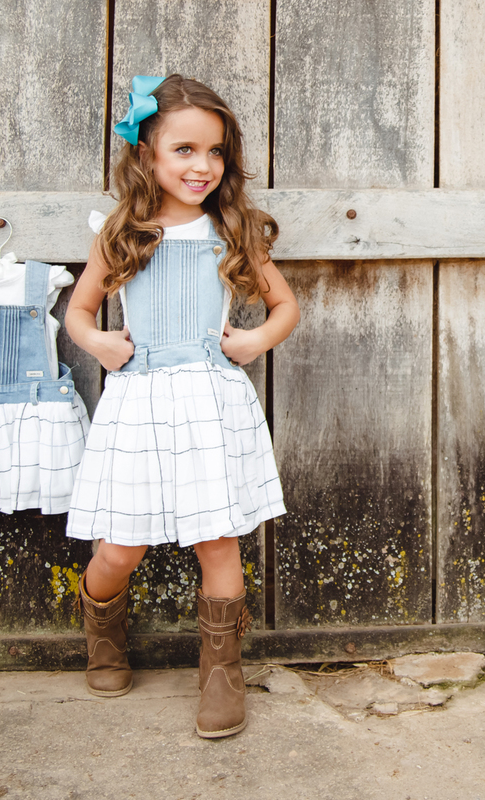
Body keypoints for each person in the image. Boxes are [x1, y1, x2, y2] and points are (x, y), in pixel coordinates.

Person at [64, 74, 299, 739]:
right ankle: (103, 633)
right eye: (185, 150)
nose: (203, 166)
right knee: (120, 548)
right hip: (139, 400)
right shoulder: (121, 235)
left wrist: (254, 339)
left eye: (215, 152)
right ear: (147, 155)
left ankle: (221, 672)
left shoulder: (231, 231)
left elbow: (285, 305)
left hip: (209, 401)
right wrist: (99, 342)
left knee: (217, 540)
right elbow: (79, 313)